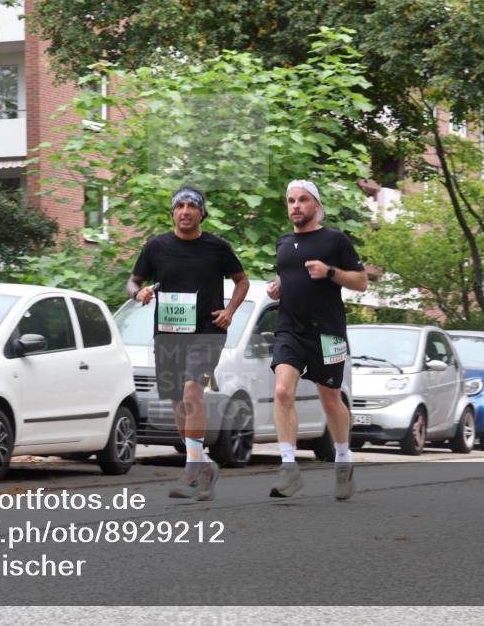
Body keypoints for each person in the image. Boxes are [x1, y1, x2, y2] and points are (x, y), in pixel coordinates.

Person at [127, 185, 248, 500]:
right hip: (168, 334)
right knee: (178, 403)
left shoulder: (217, 247)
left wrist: (230, 311)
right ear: (173, 212)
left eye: (191, 206)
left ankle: (191, 472)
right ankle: (202, 463)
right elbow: (133, 281)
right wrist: (137, 293)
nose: (184, 212)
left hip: (207, 331)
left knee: (193, 390)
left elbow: (242, 280)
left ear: (201, 212)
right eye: (179, 206)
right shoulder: (156, 247)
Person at [266, 180, 367, 499]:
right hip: (290, 328)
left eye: (303, 200)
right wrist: (276, 285)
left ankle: (343, 460)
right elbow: (289, 275)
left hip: (327, 331)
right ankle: (289, 467)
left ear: (316, 205)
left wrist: (330, 272)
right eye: (291, 200)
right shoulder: (283, 242)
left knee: (330, 400)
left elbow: (361, 282)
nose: (295, 206)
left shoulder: (335, 240)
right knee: (282, 391)